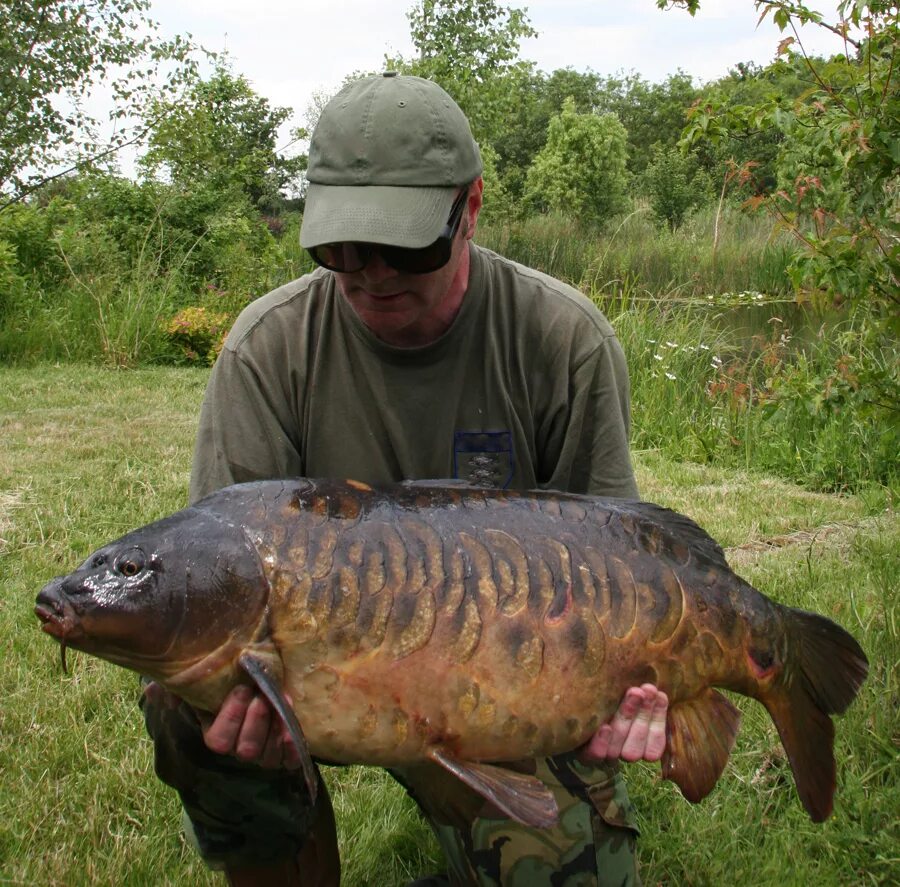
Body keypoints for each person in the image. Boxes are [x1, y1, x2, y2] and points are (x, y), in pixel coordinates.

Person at [142, 72, 669, 887]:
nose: (370, 272)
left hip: (496, 687)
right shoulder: (266, 350)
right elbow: (219, 567)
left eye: (404, 244)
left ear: (472, 207)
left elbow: (618, 573)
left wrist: (636, 683)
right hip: (320, 678)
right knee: (186, 698)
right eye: (341, 247)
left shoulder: (564, 341)